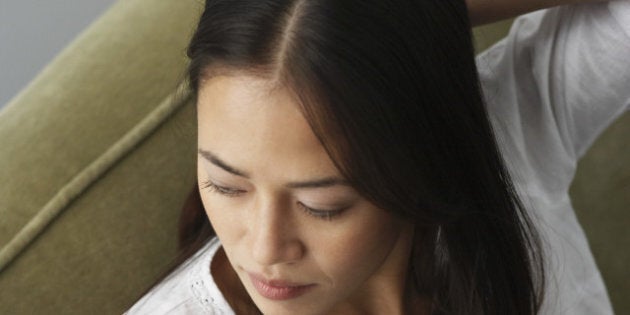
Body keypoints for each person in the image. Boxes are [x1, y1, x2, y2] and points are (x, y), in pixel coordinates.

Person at [125, 0, 629, 314]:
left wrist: (408, 15)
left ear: (417, 164)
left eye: (323, 205)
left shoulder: (506, 138)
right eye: (226, 186)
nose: (264, 250)